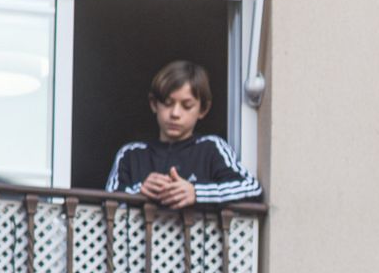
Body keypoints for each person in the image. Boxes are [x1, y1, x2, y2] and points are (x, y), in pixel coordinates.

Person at [105, 60, 262, 206]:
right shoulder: (131, 154)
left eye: (187, 106)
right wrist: (140, 191)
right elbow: (108, 201)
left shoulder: (212, 148)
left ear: (203, 110)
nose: (175, 113)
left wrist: (196, 192)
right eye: (168, 103)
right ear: (154, 104)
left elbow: (251, 188)